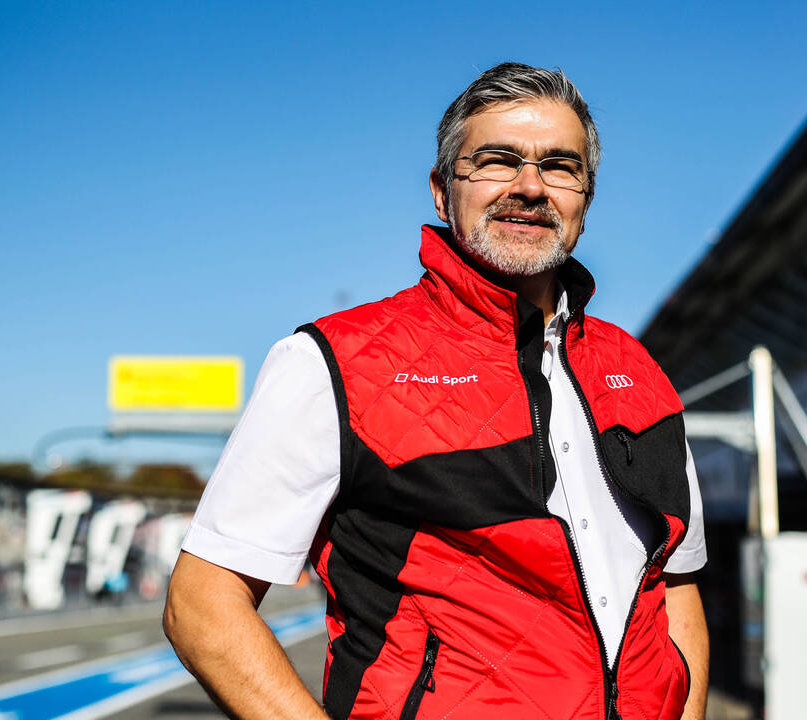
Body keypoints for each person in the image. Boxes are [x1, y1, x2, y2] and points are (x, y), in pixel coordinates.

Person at [164, 62, 710, 720]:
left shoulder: (641, 372)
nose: (530, 186)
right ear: (441, 192)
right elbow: (203, 603)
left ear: (585, 202)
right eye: (497, 161)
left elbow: (675, 589)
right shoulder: (332, 362)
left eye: (560, 167)